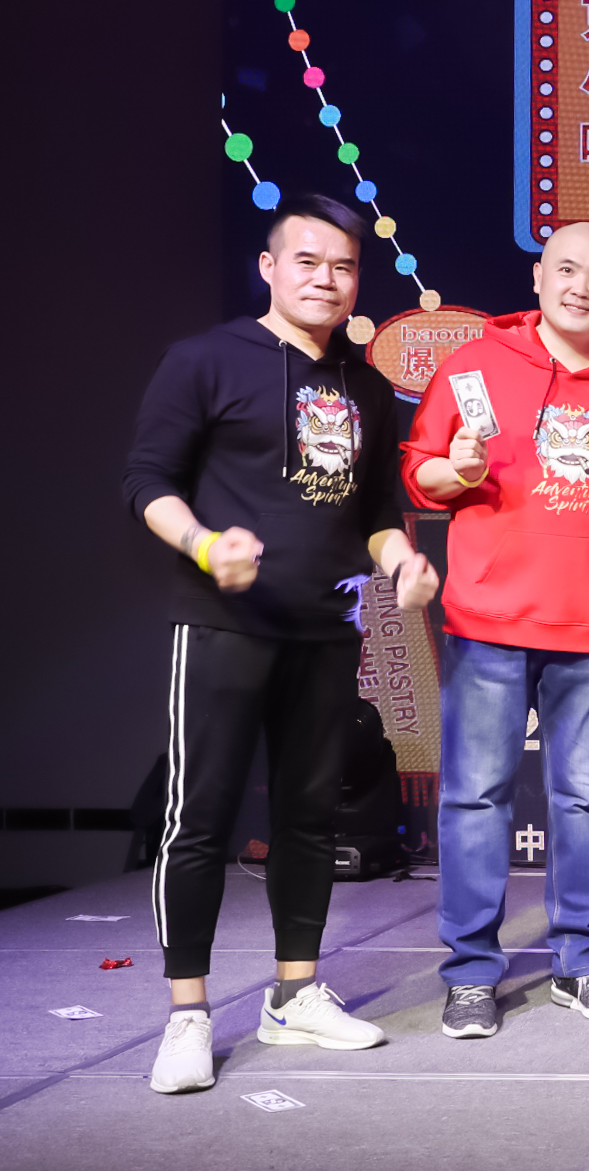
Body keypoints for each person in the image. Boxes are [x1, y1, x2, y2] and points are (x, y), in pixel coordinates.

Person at [126, 195, 440, 1094]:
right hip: (224, 624)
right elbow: (145, 479)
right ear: (269, 267)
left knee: (310, 819)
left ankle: (294, 993)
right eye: (307, 261)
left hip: (326, 629)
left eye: (343, 266)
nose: (326, 279)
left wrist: (401, 562)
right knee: (199, 818)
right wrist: (203, 545)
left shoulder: (366, 387)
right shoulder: (205, 359)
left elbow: (376, 510)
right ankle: (188, 1014)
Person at [403, 221, 589, 1040]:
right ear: (537, 277)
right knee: (474, 797)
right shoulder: (476, 365)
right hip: (487, 618)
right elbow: (419, 471)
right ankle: (471, 973)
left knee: (582, 802)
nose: (580, 287)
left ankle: (581, 963)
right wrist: (457, 469)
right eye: (566, 269)